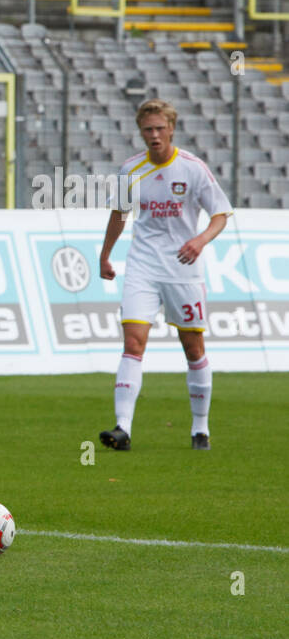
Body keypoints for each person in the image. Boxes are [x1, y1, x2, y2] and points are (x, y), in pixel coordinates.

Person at [98, 99, 231, 451]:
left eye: (160, 128)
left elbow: (221, 214)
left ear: (171, 128)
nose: (154, 135)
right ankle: (122, 428)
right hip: (143, 266)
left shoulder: (192, 168)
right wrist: (105, 255)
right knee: (133, 343)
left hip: (183, 270)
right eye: (147, 129)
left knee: (193, 347)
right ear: (140, 131)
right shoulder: (131, 169)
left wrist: (200, 240)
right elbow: (119, 214)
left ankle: (199, 428)